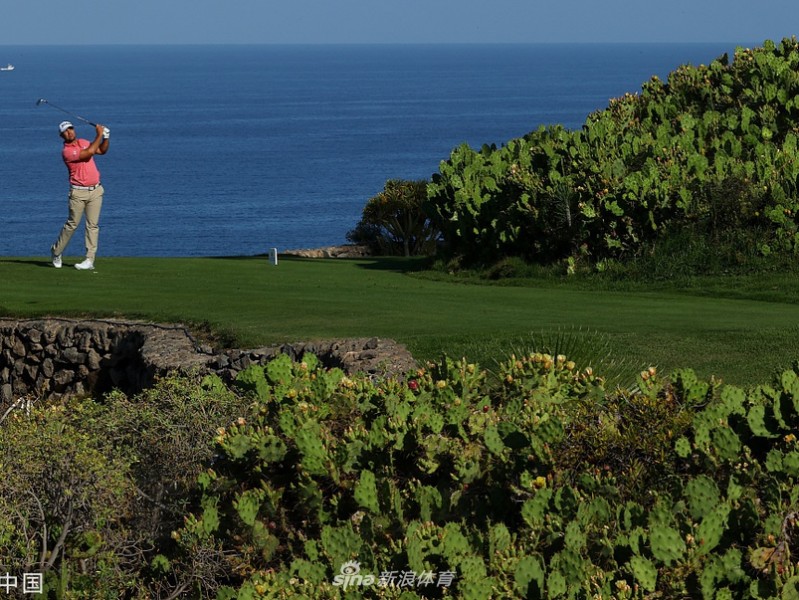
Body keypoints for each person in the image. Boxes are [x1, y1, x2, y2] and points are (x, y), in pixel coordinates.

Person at [50, 120, 110, 270]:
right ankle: (56, 251)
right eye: (65, 131)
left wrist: (106, 138)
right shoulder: (67, 152)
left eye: (71, 129)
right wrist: (99, 134)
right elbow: (88, 153)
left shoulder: (84, 142)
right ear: (61, 135)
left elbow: (101, 151)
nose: (69, 132)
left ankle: (89, 260)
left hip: (96, 190)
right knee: (72, 224)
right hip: (78, 192)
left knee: (92, 226)